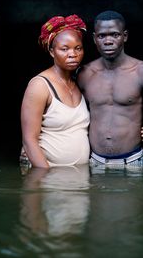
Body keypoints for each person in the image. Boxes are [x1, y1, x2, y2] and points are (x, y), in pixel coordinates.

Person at [77, 10, 143, 169]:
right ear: (94, 39)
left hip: (133, 163)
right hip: (94, 163)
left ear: (125, 36)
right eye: (102, 36)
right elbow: (70, 120)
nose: (108, 41)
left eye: (114, 35)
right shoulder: (84, 74)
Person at [20, 14, 90, 168]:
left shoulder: (78, 82)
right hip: (50, 178)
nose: (73, 54)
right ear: (52, 52)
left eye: (78, 48)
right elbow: (29, 141)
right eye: (64, 49)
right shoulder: (40, 85)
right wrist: (45, 177)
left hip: (78, 180)